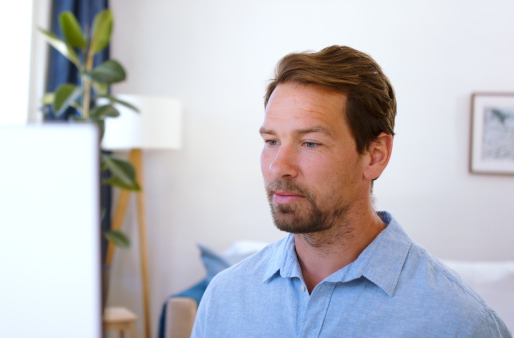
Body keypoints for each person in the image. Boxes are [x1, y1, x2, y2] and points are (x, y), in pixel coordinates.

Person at [191, 46, 511, 337]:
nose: (279, 166)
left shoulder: (459, 322)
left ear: (375, 155)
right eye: (271, 141)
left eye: (310, 143)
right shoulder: (225, 297)